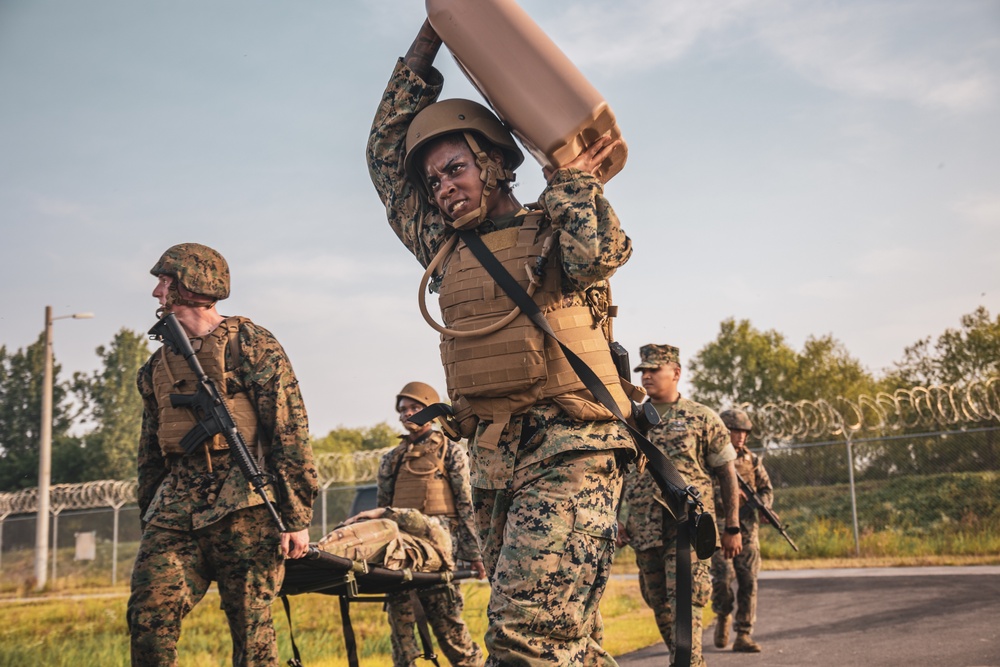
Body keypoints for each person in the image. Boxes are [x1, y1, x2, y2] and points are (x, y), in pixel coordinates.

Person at [367, 20, 639, 666]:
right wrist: (437, 33)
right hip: (494, 462)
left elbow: (597, 253)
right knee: (568, 642)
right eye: (433, 181)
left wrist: (572, 179)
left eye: (455, 169)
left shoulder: (555, 221)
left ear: (492, 163)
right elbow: (384, 155)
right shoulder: (442, 247)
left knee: (522, 640)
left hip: (572, 449)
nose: (443, 188)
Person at [127, 242, 318, 666]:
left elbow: (289, 430)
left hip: (245, 503)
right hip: (176, 510)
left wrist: (295, 518)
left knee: (252, 635)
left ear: (192, 284)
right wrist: (150, 515)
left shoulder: (252, 344)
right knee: (147, 615)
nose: (157, 293)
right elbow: (150, 451)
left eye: (165, 281)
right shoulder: (156, 367)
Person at [618, 344, 743, 667]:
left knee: (686, 601)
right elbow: (620, 474)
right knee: (658, 602)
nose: (646, 376)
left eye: (653, 370)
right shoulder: (630, 421)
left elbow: (727, 474)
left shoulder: (702, 418)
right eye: (642, 371)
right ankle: (682, 659)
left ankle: (688, 662)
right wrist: (618, 517)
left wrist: (732, 526)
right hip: (644, 528)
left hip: (687, 527)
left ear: (675, 373)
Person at [376, 382, 485, 667]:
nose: (407, 414)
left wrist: (474, 555)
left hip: (439, 553)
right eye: (403, 410)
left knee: (449, 628)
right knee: (402, 636)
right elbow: (382, 512)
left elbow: (466, 505)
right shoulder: (392, 459)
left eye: (415, 408)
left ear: (430, 411)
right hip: (399, 554)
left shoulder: (451, 452)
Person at [710, 409, 772, 653]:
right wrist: (729, 494)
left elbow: (767, 489)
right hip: (718, 528)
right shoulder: (712, 460)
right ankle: (723, 614)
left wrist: (763, 506)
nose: (741, 437)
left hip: (747, 530)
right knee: (722, 580)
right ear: (725, 432)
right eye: (736, 431)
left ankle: (744, 634)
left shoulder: (752, 460)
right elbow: (701, 489)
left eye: (745, 432)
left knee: (748, 581)